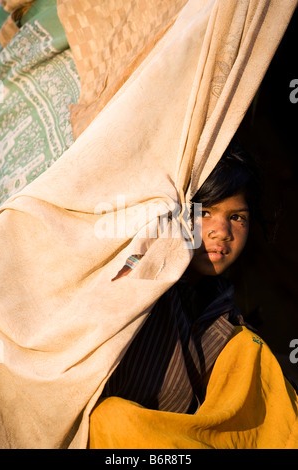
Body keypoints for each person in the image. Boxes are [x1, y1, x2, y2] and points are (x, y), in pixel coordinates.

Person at [88, 140, 298, 448]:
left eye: (237, 217)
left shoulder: (226, 321)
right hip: (113, 437)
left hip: (182, 440)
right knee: (111, 418)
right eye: (206, 212)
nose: (221, 230)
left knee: (250, 347)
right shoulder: (143, 276)